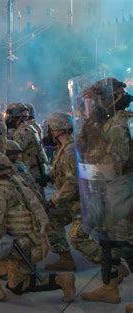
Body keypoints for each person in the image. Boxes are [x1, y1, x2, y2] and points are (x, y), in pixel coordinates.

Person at [0, 151, 75, 303]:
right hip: (33, 241)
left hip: (23, 246)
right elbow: (9, 209)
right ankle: (61, 280)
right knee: (17, 287)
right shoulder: (13, 182)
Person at [79, 77, 133, 304]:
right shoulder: (104, 123)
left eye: (99, 99)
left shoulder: (120, 125)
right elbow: (83, 146)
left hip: (122, 192)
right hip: (106, 193)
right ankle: (109, 287)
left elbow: (114, 165)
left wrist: (88, 172)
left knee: (126, 244)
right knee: (107, 242)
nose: (95, 104)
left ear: (114, 98)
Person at [44, 112, 104, 271]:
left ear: (58, 130)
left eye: (50, 129)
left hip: (82, 204)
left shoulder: (70, 150)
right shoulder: (63, 148)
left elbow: (72, 183)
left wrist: (54, 201)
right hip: (73, 202)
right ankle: (65, 259)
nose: (48, 132)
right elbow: (62, 173)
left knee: (77, 236)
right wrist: (48, 177)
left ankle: (111, 265)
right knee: (50, 219)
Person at [5, 102, 49, 188]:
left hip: (32, 172)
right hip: (31, 170)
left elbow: (13, 149)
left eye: (11, 117)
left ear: (17, 118)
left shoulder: (24, 131)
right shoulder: (25, 128)